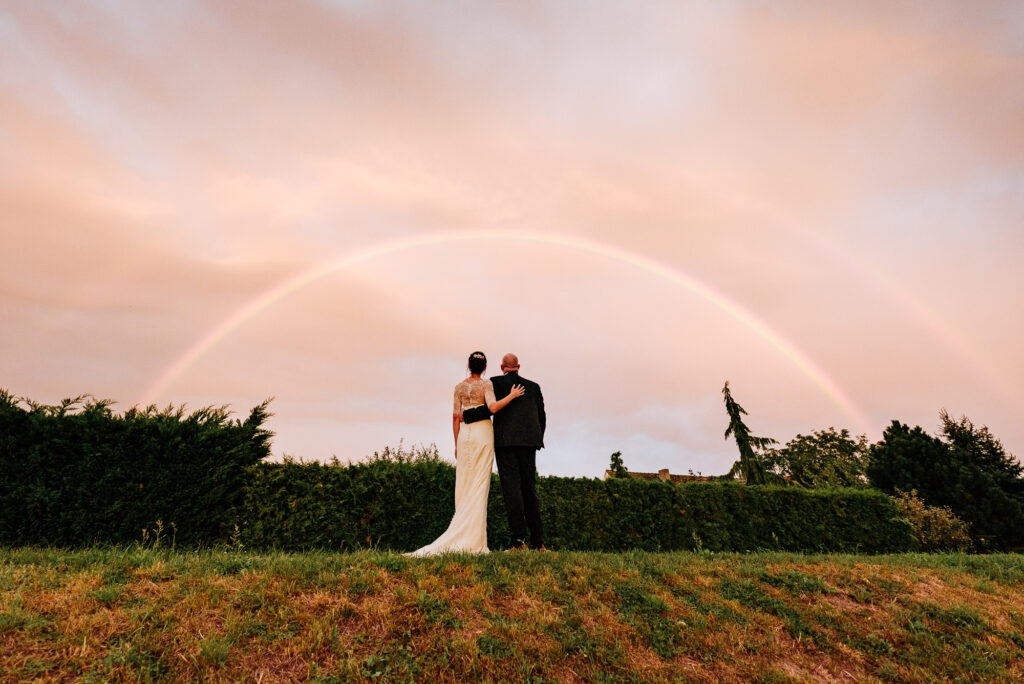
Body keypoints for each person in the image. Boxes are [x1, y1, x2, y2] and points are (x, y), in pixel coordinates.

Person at [406, 351, 524, 557]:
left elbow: (455, 417)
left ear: (468, 366)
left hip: (464, 437)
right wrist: (512, 396)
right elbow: (493, 407)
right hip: (483, 434)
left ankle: (461, 530)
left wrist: (456, 444)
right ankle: (474, 540)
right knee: (480, 483)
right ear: (485, 367)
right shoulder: (486, 385)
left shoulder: (459, 387)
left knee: (465, 482)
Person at [462, 353, 546, 551]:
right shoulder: (534, 387)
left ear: (502, 367)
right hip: (528, 443)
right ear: (518, 366)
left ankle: (518, 542)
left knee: (512, 491)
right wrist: (535, 438)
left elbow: (488, 408)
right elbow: (542, 416)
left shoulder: (495, 383)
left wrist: (467, 415)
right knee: (529, 490)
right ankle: (538, 543)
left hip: (505, 443)